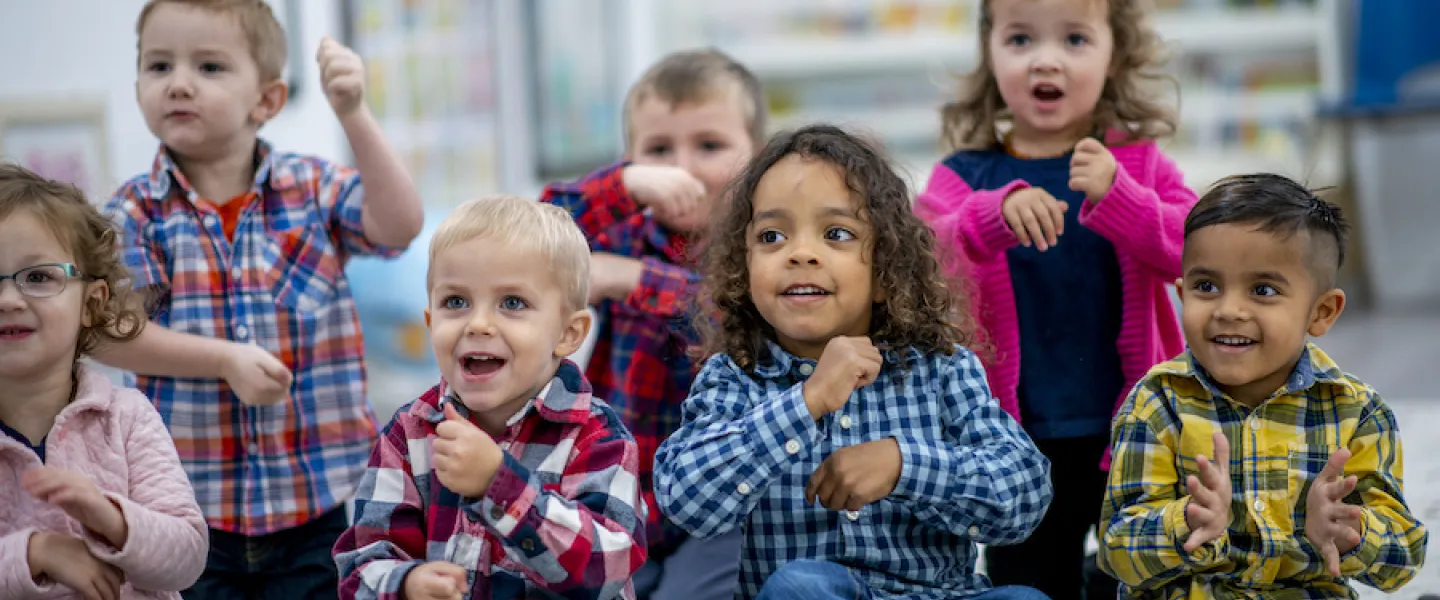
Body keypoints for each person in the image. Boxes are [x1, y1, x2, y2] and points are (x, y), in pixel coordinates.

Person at [98, 1, 424, 597]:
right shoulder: (132, 211)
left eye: (210, 67)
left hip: (319, 504)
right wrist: (223, 360)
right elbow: (115, 333)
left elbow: (399, 225)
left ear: (267, 101)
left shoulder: (313, 188)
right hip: (187, 511)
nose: (179, 83)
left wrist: (353, 113)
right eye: (158, 65)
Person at [654, 124, 1053, 600]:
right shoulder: (735, 379)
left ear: (886, 273)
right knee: (800, 586)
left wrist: (904, 464)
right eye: (772, 235)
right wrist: (806, 403)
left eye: (836, 233)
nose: (801, 253)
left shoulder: (943, 369)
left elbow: (1024, 497)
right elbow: (686, 501)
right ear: (744, 273)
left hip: (943, 594)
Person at [913, 0, 1198, 596]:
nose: (1047, 60)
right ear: (990, 53)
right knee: (1029, 581)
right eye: (1021, 40)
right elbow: (917, 262)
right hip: (1015, 436)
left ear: (1113, 53)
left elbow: (1197, 249)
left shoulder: (1139, 164)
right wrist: (986, 218)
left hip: (1135, 431)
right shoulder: (964, 176)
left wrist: (1123, 198)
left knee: (1148, 574)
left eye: (1074, 39)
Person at [1098, 173, 1428, 599]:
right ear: (1182, 295)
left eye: (1263, 289)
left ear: (1321, 313)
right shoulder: (1156, 403)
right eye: (1206, 286)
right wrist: (1184, 521)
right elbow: (1116, 551)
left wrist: (1354, 531)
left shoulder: (1357, 413)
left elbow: (1402, 562)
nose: (1229, 309)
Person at [333, 195, 646, 600]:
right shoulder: (410, 435)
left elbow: (607, 571)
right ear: (430, 322)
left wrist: (500, 486)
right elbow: (361, 565)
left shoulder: (597, 437)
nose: (478, 323)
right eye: (456, 302)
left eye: (512, 303)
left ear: (569, 333)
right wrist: (406, 584)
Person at [540, 48, 765, 599]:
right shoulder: (622, 234)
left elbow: (735, 317)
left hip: (724, 503)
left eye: (709, 146)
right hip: (621, 490)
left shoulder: (766, 243)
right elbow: (533, 232)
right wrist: (625, 186)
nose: (682, 167)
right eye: (659, 150)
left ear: (758, 156)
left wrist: (629, 278)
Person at [0, 164, 207, 599]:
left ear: (91, 304)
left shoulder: (127, 416)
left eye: (38, 277)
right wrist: (35, 552)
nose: (8, 300)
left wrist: (109, 517)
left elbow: (187, 557)